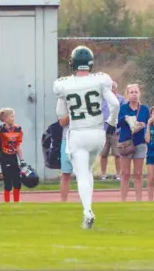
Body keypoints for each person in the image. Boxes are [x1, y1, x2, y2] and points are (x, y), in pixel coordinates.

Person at [53, 45, 120, 229]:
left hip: (78, 133)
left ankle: (87, 211)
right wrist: (112, 123)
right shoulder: (101, 79)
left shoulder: (63, 84)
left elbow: (60, 115)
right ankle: (88, 208)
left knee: (81, 174)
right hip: (98, 133)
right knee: (88, 170)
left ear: (72, 63)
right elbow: (114, 104)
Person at [118, 84, 150, 202]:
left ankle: (139, 200)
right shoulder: (122, 108)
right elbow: (117, 124)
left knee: (138, 173)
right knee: (125, 173)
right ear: (127, 94)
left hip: (140, 142)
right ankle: (123, 200)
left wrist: (142, 125)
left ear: (139, 94)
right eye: (131, 92)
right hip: (126, 143)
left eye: (136, 92)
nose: (134, 95)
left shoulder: (145, 109)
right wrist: (125, 118)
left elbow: (148, 123)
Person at [100, 81, 126, 181]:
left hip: (116, 131)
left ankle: (118, 175)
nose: (112, 89)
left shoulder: (121, 100)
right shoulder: (101, 100)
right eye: (110, 88)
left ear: (116, 89)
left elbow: (124, 113)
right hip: (104, 131)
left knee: (117, 154)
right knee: (103, 154)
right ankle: (103, 174)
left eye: (113, 87)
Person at [0, 108, 25, 203]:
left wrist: (22, 160)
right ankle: (7, 203)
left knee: (17, 182)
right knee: (8, 182)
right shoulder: (1, 130)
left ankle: (16, 203)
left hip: (13, 157)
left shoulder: (18, 129)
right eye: (11, 116)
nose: (13, 118)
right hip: (4, 157)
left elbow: (17, 146)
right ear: (5, 119)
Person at [59, 115, 73, 202]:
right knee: (66, 173)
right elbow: (62, 122)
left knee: (84, 173)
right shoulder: (63, 104)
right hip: (67, 139)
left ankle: (86, 201)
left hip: (82, 138)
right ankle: (63, 201)